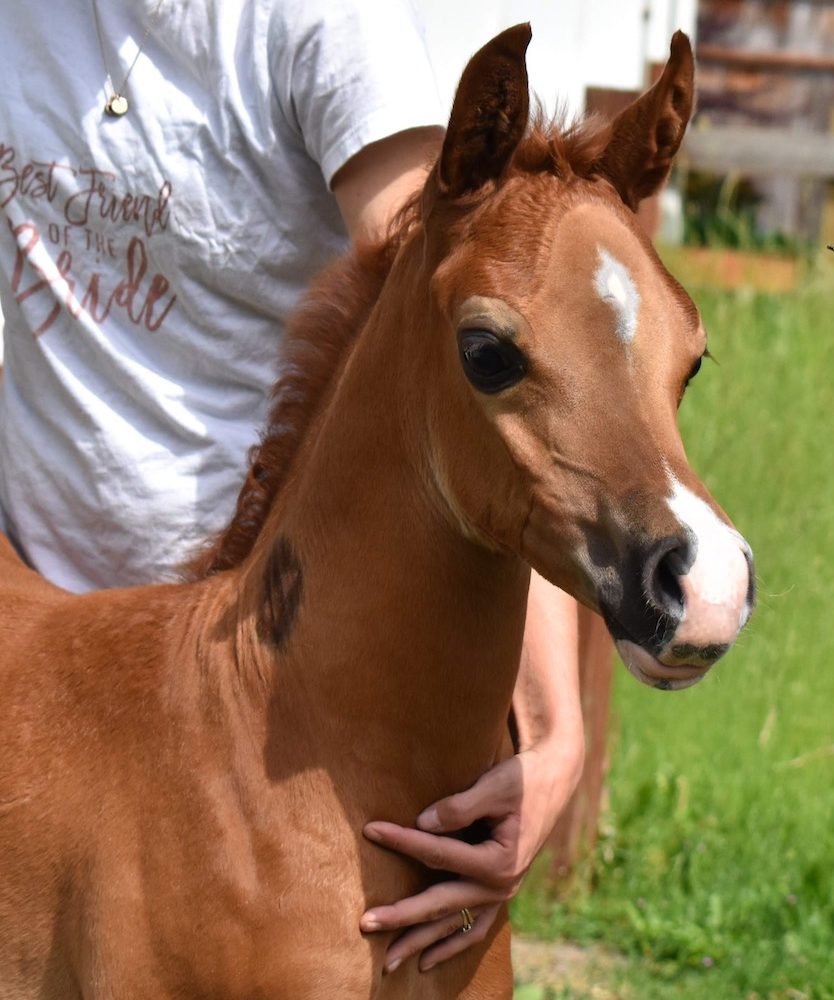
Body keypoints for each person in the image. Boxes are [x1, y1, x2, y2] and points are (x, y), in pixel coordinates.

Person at [0, 0, 584, 975]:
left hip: (262, 691)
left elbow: (481, 343)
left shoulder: (322, 23)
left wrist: (554, 729)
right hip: (47, 660)